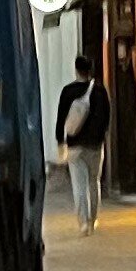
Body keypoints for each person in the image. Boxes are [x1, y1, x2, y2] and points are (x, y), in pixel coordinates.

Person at [53, 43, 111, 233]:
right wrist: (101, 136)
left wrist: (60, 141)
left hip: (75, 145)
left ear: (76, 69)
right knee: (94, 182)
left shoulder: (68, 91)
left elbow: (61, 118)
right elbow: (106, 117)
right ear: (90, 70)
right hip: (95, 145)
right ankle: (93, 220)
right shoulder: (100, 91)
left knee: (79, 185)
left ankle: (83, 223)